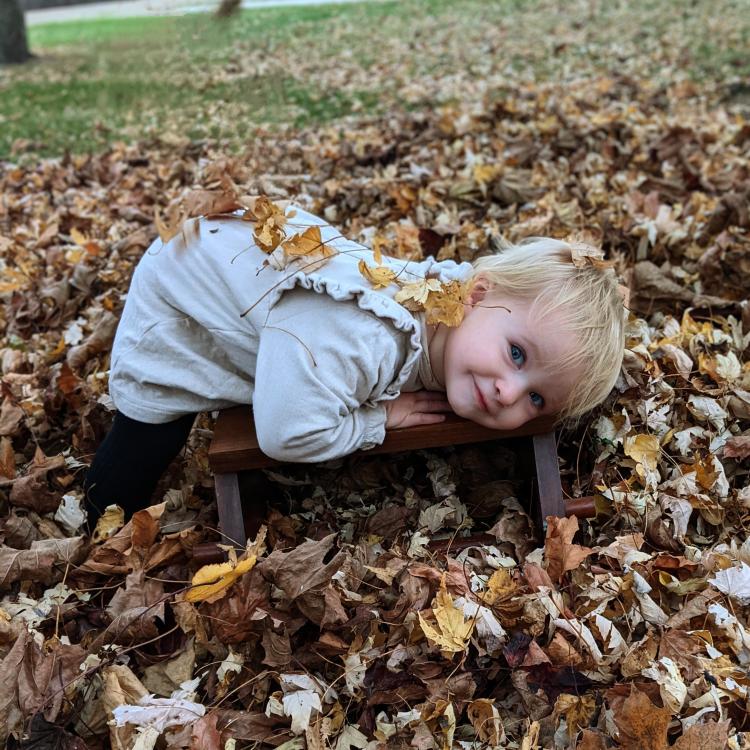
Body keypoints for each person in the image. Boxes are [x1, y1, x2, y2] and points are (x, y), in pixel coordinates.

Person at [83, 202, 625, 521]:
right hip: (184, 300)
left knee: (298, 357)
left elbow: (461, 273)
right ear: (477, 295)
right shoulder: (367, 339)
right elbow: (285, 433)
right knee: (148, 435)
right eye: (516, 355)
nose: (509, 391)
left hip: (263, 285)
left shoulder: (459, 299)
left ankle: (277, 361)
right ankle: (92, 522)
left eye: (536, 398)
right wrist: (374, 421)